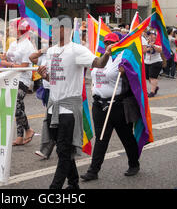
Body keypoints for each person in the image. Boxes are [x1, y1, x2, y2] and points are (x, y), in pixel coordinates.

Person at [37, 15, 110, 189]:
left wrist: (106, 55)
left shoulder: (77, 50)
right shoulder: (52, 51)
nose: (53, 30)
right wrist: (44, 75)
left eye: (57, 27)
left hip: (68, 110)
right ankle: (74, 183)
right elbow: (54, 77)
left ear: (67, 29)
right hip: (52, 107)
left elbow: (99, 63)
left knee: (63, 152)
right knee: (63, 150)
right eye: (53, 27)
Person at [81, 32, 141, 182]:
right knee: (101, 139)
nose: (109, 45)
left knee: (126, 137)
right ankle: (93, 171)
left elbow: (136, 75)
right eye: (107, 42)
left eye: (113, 42)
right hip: (99, 105)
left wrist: (126, 72)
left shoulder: (124, 58)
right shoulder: (100, 58)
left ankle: (134, 164)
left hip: (118, 106)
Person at [1, 18, 36, 146]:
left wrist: (7, 64)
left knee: (15, 105)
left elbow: (25, 66)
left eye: (13, 27)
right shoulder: (14, 43)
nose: (10, 30)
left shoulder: (27, 45)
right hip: (12, 77)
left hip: (23, 80)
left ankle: (28, 129)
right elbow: (7, 59)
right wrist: (3, 58)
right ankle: (20, 136)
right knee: (19, 106)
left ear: (20, 29)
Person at [144, 30, 163, 97]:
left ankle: (152, 92)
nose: (150, 36)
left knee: (153, 77)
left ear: (155, 36)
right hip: (147, 61)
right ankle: (155, 87)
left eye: (152, 35)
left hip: (156, 61)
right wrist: (148, 48)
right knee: (148, 77)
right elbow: (143, 51)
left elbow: (160, 50)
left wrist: (154, 46)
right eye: (149, 35)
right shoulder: (145, 42)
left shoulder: (158, 42)